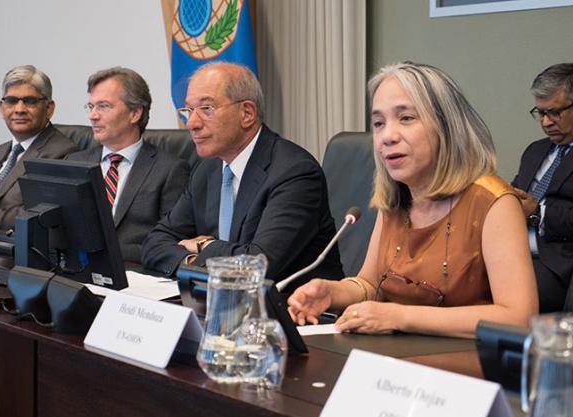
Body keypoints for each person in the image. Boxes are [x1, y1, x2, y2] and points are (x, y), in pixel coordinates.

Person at [288, 62, 538, 338]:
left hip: (463, 366)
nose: (387, 136)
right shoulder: (397, 196)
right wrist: (333, 292)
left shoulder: (494, 202)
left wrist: (400, 316)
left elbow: (519, 318)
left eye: (406, 118)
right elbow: (370, 284)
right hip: (389, 362)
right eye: (379, 123)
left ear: (446, 125)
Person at [142, 62, 343, 292]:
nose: (192, 124)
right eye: (188, 111)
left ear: (247, 113)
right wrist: (192, 265)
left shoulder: (294, 172)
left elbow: (258, 264)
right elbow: (155, 242)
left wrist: (203, 245)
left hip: (292, 315)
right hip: (222, 308)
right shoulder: (207, 170)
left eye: (206, 109)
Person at [67, 67, 190, 263]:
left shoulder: (170, 170)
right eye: (91, 107)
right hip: (76, 271)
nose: (93, 116)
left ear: (135, 113)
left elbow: (170, 242)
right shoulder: (74, 163)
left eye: (103, 106)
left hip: (133, 274)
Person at [0, 65, 78, 232]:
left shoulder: (62, 154)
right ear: (2, 108)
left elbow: (35, 215)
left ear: (49, 108)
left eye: (29, 101)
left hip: (9, 252)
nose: (19, 109)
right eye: (12, 101)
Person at [512, 63, 573, 312]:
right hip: (511, 246)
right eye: (540, 113)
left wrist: (538, 213)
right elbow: (514, 194)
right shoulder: (535, 150)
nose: (545, 122)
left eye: (554, 113)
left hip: (554, 259)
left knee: (512, 295)